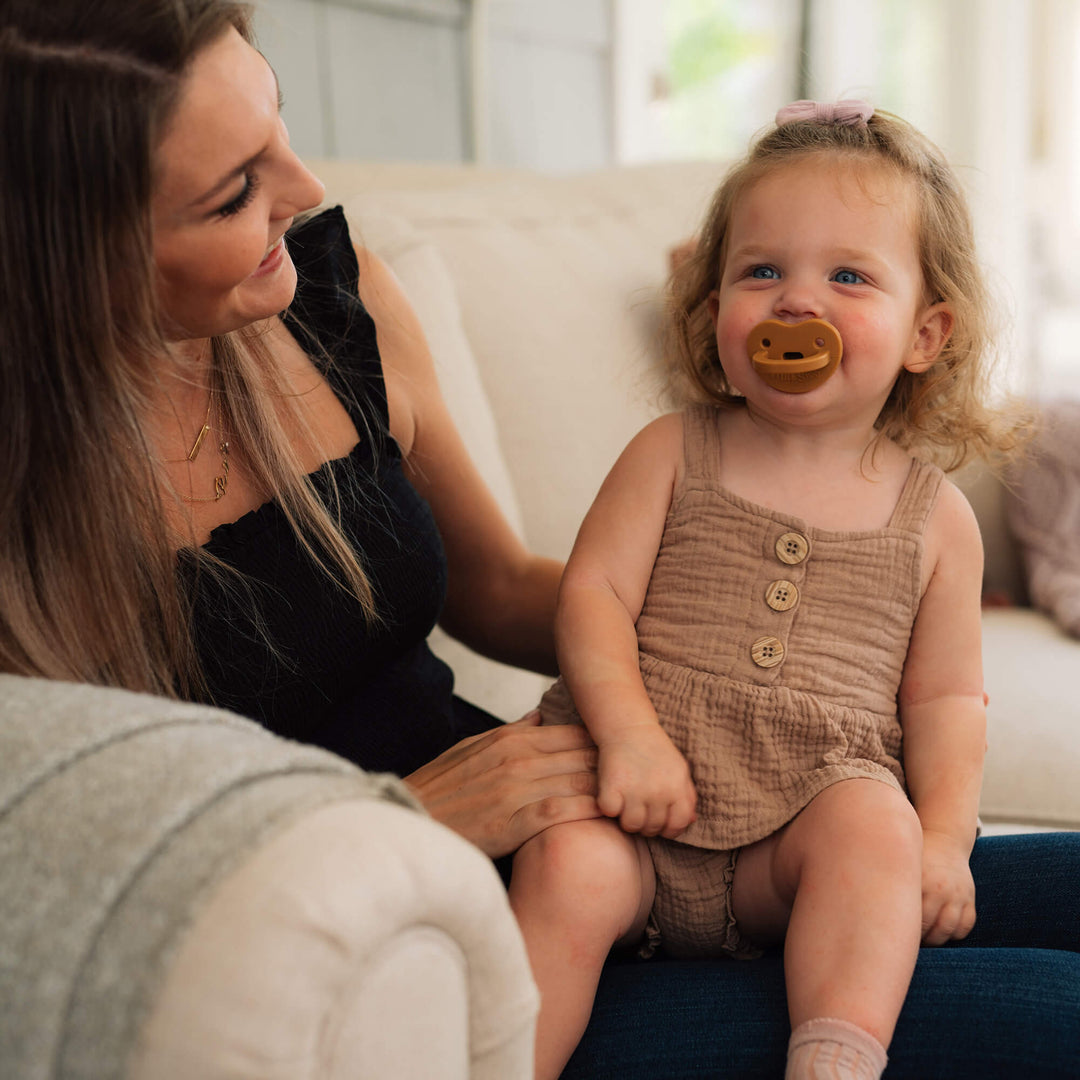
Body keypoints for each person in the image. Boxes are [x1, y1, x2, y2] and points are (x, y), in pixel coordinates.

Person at [0, 5, 1077, 1075]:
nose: (307, 188)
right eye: (235, 188)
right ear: (73, 250)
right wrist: (402, 816)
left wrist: (765, 664)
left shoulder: (334, 299)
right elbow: (62, 872)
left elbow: (512, 586)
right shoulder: (31, 509)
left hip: (624, 798)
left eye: (278, 120)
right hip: (435, 922)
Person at [509, 101, 1039, 1080]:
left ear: (926, 331)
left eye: (848, 275)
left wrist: (944, 838)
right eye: (763, 271)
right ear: (715, 318)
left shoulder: (935, 518)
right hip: (631, 815)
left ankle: (834, 1057)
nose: (800, 302)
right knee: (562, 863)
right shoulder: (671, 453)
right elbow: (593, 600)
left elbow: (947, 700)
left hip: (783, 854)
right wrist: (627, 736)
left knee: (870, 829)